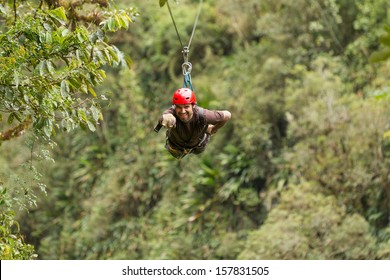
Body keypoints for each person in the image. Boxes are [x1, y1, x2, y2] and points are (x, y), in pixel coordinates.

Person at [158, 87, 231, 159]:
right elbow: (165, 117)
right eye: (179, 107)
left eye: (186, 107)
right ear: (174, 107)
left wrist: (213, 129)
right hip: (176, 146)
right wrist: (166, 118)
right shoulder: (171, 113)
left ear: (193, 106)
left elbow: (227, 115)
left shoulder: (203, 115)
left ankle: (206, 129)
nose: (182, 111)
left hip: (198, 146)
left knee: (199, 147)